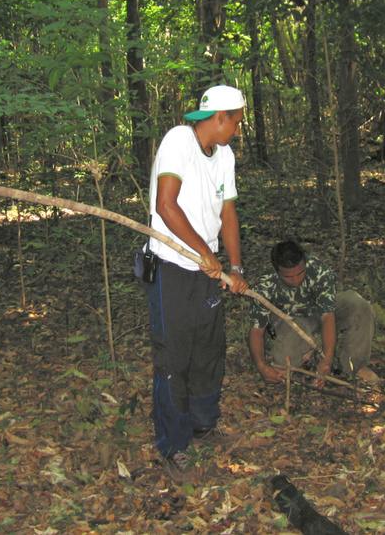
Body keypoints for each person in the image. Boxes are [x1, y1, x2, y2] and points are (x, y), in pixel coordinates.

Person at [145, 84, 249, 484]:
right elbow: (165, 205)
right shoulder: (178, 141)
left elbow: (228, 214)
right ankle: (173, 446)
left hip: (208, 271)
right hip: (172, 267)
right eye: (236, 122)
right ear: (220, 117)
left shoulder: (224, 156)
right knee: (174, 359)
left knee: (209, 349)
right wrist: (203, 254)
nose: (237, 131)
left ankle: (205, 425)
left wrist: (234, 266)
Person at [247, 240, 377, 388]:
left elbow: (328, 317)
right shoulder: (265, 284)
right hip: (293, 320)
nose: (296, 280)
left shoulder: (318, 269)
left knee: (359, 305)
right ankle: (302, 355)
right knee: (283, 366)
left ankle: (355, 365)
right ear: (276, 271)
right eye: (288, 277)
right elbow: (257, 331)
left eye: (300, 273)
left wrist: (327, 360)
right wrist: (261, 366)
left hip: (321, 309)